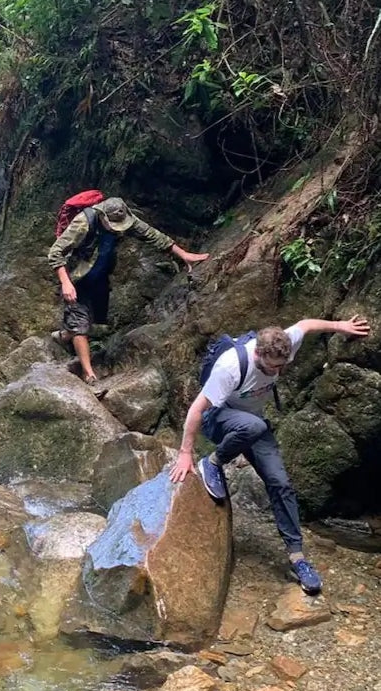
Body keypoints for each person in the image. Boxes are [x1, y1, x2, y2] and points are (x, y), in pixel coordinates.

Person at [169, 316, 371, 594]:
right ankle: (213, 462)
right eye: (275, 366)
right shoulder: (231, 366)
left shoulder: (283, 343)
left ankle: (297, 558)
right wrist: (185, 453)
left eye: (284, 363)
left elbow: (307, 324)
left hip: (252, 424)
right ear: (258, 354)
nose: (281, 369)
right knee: (255, 425)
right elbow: (196, 410)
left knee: (281, 483)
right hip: (219, 419)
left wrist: (342, 326)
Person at [47, 197, 209, 383]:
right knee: (80, 323)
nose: (120, 229)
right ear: (103, 217)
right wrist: (66, 282)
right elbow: (55, 252)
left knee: (90, 320)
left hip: (99, 275)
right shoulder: (83, 222)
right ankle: (88, 373)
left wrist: (183, 255)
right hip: (77, 277)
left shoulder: (123, 217)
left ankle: (63, 336)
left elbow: (150, 234)